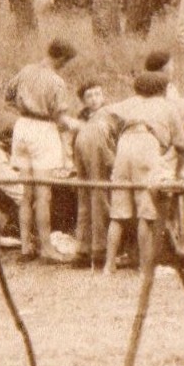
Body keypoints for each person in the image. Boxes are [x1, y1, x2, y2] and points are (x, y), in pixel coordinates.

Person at [104, 71, 184, 275]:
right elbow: (182, 144)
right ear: (162, 90)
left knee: (118, 212)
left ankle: (109, 265)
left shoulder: (131, 104)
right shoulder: (168, 106)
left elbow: (107, 115)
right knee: (146, 211)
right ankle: (145, 267)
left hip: (125, 145)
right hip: (147, 144)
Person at [7, 39, 80, 262]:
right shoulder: (56, 81)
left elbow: (8, 97)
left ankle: (26, 247)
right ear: (60, 58)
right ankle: (47, 249)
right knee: (43, 194)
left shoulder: (25, 71)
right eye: (66, 62)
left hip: (21, 127)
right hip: (42, 130)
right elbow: (60, 116)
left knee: (26, 194)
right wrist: (76, 125)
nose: (65, 66)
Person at [71, 82, 116, 266]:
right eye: (89, 96)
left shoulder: (108, 113)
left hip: (93, 151)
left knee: (93, 197)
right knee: (95, 196)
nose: (95, 99)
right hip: (91, 154)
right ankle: (96, 249)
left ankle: (86, 250)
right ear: (83, 100)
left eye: (98, 94)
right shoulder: (85, 119)